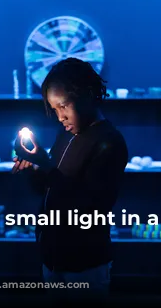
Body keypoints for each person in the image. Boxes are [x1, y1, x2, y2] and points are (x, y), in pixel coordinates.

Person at [12, 58, 128, 302]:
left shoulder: (110, 142)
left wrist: (47, 166)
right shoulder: (66, 134)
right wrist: (34, 170)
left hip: (85, 265)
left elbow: (90, 208)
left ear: (87, 95)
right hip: (53, 261)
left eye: (63, 106)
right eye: (54, 110)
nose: (60, 117)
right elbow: (50, 192)